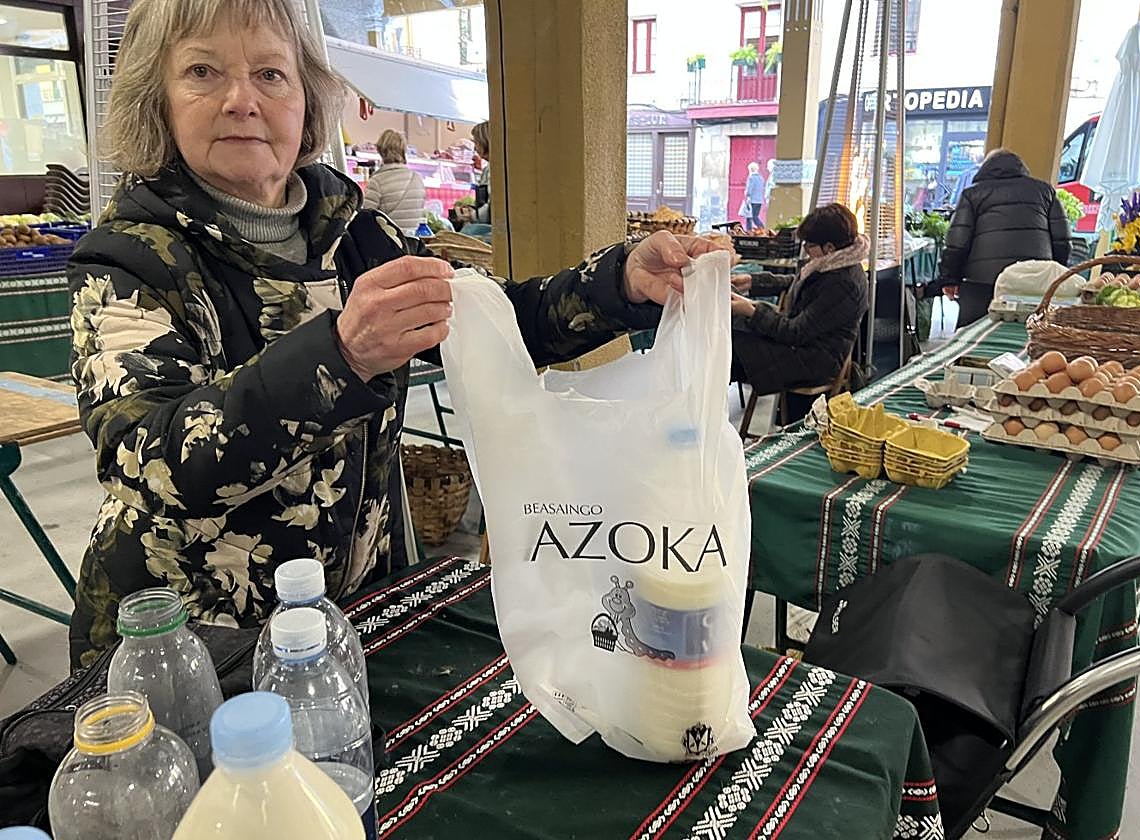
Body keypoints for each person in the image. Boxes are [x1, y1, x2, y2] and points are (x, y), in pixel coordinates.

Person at [66, 0, 727, 667]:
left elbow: (496, 324)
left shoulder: (359, 234)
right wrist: (340, 356)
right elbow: (145, 458)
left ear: (307, 100)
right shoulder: (126, 259)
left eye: (271, 74)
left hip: (351, 627)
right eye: (204, 71)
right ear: (157, 95)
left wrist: (620, 283)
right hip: (186, 654)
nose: (242, 100)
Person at [729, 203, 868, 395]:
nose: (806, 250)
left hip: (815, 360)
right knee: (732, 332)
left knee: (731, 347)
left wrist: (751, 310)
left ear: (829, 247)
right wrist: (753, 281)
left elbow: (796, 331)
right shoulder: (835, 263)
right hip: (804, 346)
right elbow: (801, 282)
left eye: (810, 245)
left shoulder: (844, 283)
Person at [938, 148, 1071, 326]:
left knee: (972, 338)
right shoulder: (1045, 192)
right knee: (1030, 337)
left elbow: (957, 242)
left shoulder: (973, 194)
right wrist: (1055, 274)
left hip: (982, 282)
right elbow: (1062, 241)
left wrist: (950, 278)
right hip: (1035, 281)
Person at [361, 129, 426, 233]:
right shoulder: (417, 178)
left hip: (388, 241)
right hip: (412, 240)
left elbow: (366, 217)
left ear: (381, 150)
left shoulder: (377, 181)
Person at [470, 120, 491, 224]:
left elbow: (493, 206)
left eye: (476, 142)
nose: (475, 148)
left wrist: (472, 216)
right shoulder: (490, 167)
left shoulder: (494, 169)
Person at [743, 162, 766, 230]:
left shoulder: (751, 178)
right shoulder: (761, 178)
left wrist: (746, 193)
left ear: (751, 169)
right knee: (755, 216)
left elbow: (749, 191)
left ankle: (758, 229)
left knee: (750, 217)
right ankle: (761, 229)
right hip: (759, 201)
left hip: (752, 200)